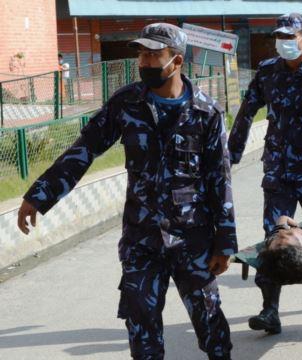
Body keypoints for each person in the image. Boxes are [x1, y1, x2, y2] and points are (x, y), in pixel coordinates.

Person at [17, 23, 236, 360]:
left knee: (210, 323)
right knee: (141, 327)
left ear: (176, 61)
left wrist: (224, 242)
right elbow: (85, 149)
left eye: (154, 55)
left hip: (193, 239)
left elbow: (220, 180)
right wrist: (39, 195)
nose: (145, 62)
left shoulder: (206, 112)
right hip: (141, 238)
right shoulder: (126, 103)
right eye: (142, 54)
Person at [227, 13, 302, 335]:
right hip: (278, 171)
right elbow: (247, 111)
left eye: (291, 37)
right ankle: (269, 310)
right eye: (280, 37)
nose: (284, 44)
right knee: (273, 239)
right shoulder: (266, 73)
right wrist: (232, 154)